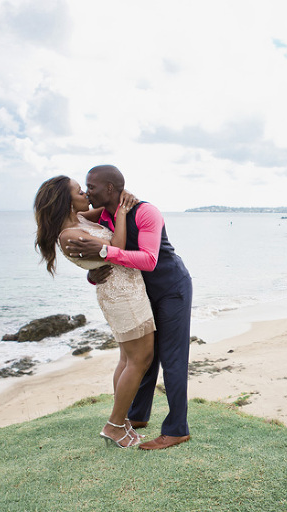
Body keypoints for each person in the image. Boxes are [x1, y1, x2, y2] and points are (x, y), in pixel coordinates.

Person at [68, 165, 192, 450]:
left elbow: (149, 259)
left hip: (172, 289)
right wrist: (92, 273)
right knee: (145, 357)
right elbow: (71, 222)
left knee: (172, 358)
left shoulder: (146, 212)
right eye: (84, 187)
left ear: (110, 188)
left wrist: (105, 252)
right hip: (141, 294)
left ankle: (177, 429)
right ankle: (137, 415)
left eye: (91, 187)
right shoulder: (103, 214)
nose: (87, 192)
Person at [34, 175, 155, 448]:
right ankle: (114, 425)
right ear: (66, 201)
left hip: (128, 289)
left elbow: (107, 202)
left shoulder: (80, 219)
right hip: (121, 296)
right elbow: (116, 249)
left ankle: (123, 422)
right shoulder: (69, 235)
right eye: (80, 191)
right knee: (140, 359)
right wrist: (122, 212)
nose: (86, 194)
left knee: (127, 359)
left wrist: (121, 195)